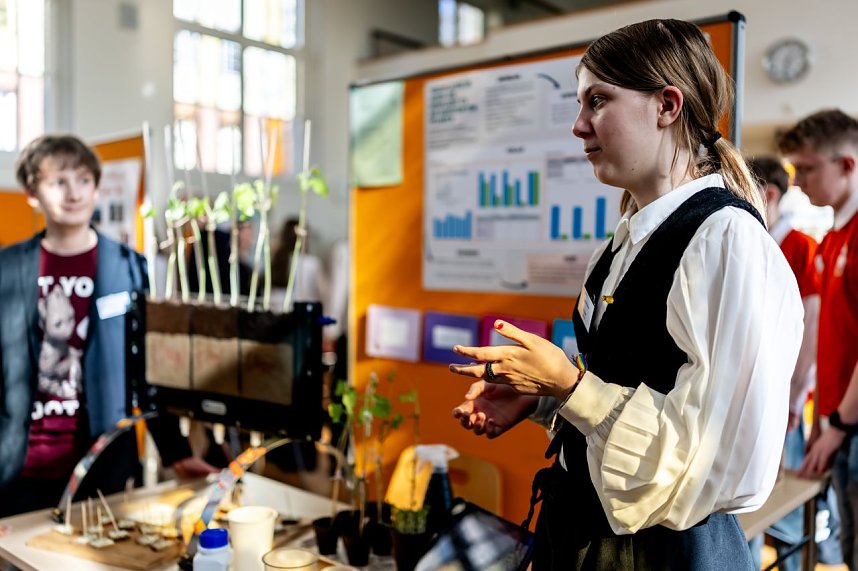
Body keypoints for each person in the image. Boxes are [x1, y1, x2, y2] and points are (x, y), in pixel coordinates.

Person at [448, 19, 803, 570]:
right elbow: (630, 386)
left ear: (667, 105)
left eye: (598, 101)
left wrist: (571, 385)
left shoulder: (725, 241)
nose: (578, 125)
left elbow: (718, 468)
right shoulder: (622, 244)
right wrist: (545, 398)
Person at [0, 134, 216, 518]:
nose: (74, 193)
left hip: (103, 460)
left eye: (83, 180)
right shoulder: (8, 267)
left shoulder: (127, 267)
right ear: (33, 194)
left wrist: (176, 452)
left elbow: (146, 367)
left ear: (97, 188)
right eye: (58, 182)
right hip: (19, 466)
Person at [779, 109, 858, 569]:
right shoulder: (832, 236)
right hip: (836, 422)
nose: (799, 181)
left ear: (846, 164)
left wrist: (840, 425)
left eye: (807, 169)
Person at [746, 156, 825, 570]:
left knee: (787, 510)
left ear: (769, 194)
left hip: (786, 400)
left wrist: (795, 398)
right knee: (751, 505)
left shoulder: (800, 247)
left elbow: (810, 328)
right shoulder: (748, 241)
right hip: (753, 397)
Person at [269, 217, 329, 312]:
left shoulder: (277, 260)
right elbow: (325, 295)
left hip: (278, 317)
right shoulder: (312, 263)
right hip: (303, 316)